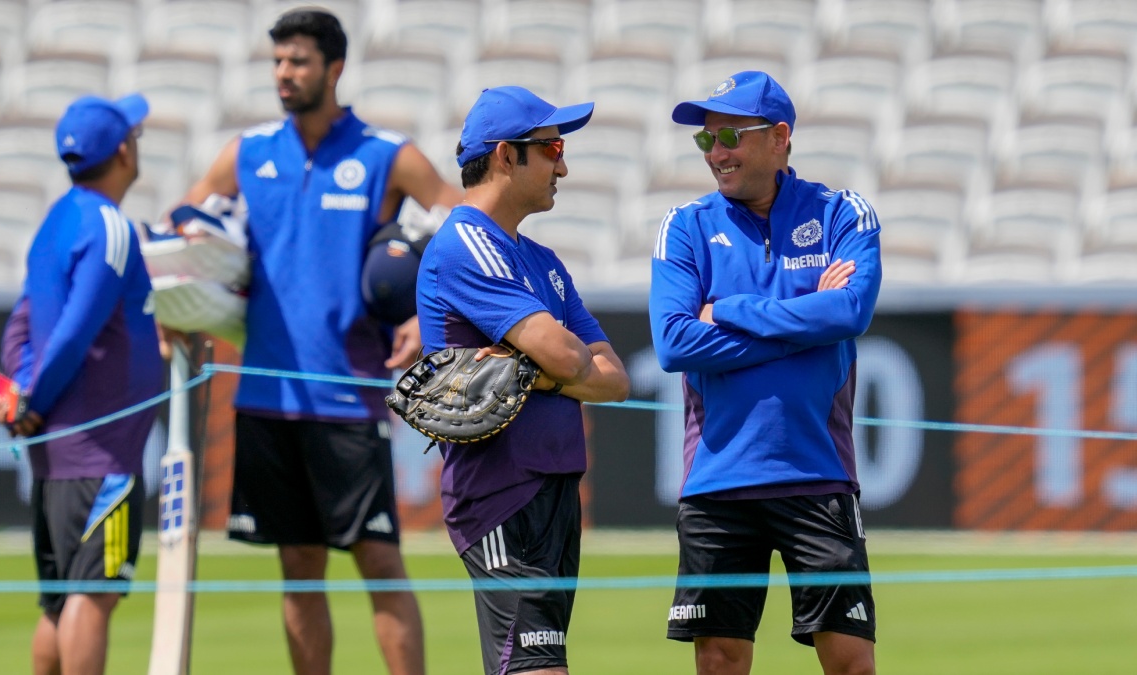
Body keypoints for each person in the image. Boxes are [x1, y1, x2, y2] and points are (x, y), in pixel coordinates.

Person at [183, 8, 461, 675]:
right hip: (266, 394)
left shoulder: (385, 153)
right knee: (299, 567)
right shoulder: (247, 152)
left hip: (348, 395)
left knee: (380, 560)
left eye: (299, 61)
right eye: (278, 61)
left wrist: (427, 314)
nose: (284, 73)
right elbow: (183, 222)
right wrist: (190, 281)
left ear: (334, 68)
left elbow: (465, 227)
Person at [648, 70, 883, 675]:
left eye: (730, 136)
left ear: (780, 137)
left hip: (818, 473)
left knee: (851, 662)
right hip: (718, 479)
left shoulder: (843, 212)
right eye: (706, 140)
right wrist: (806, 324)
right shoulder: (685, 225)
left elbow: (850, 312)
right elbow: (674, 342)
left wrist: (728, 310)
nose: (716, 153)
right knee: (720, 661)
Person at [415, 86, 631, 675]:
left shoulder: (542, 259)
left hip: (553, 489)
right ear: (506, 155)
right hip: (502, 491)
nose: (563, 166)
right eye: (552, 148)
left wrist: (534, 376)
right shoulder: (466, 242)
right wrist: (560, 366)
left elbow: (613, 379)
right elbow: (570, 357)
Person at [0, 93, 162, 675]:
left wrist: (25, 398)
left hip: (57, 453)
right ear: (124, 151)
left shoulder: (55, 221)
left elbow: (20, 326)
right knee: (92, 598)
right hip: (100, 452)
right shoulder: (108, 225)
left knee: (60, 602)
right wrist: (34, 402)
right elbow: (72, 332)